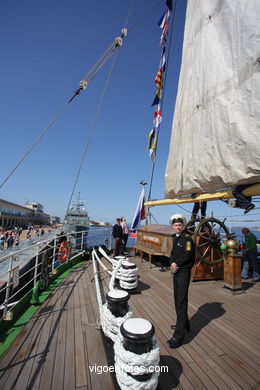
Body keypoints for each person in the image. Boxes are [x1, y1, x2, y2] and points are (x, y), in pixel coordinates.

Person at [167, 214, 195, 348]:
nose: (177, 227)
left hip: (183, 272)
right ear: (173, 226)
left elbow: (188, 254)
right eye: (175, 225)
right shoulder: (175, 238)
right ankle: (183, 324)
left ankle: (179, 335)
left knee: (181, 300)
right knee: (177, 298)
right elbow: (173, 253)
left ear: (183, 226)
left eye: (179, 225)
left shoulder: (188, 239)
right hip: (176, 271)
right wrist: (172, 263)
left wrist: (176, 264)